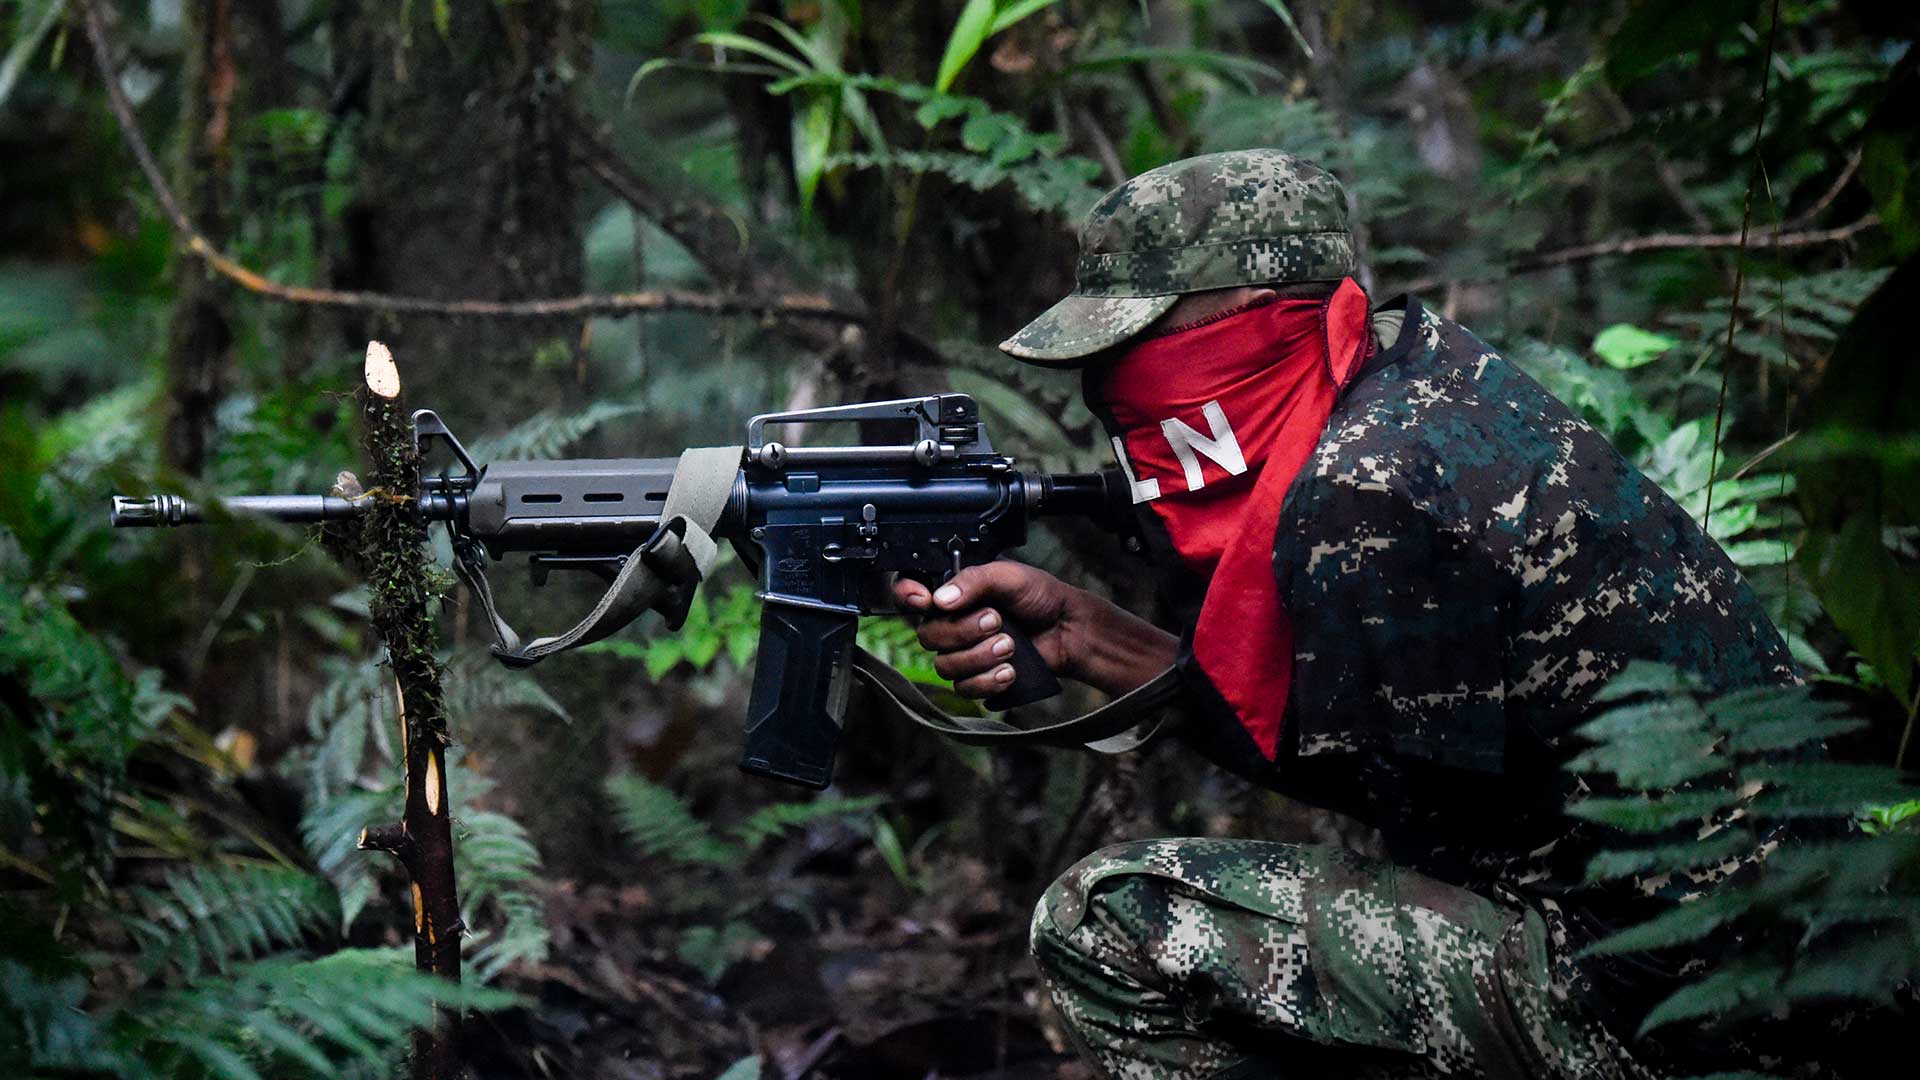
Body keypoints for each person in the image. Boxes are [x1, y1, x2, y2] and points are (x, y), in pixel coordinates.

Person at [890, 150, 1796, 1079]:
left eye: (1145, 338)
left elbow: (1432, 849)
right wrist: (1095, 639)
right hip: (1779, 938)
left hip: (1683, 1006)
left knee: (1107, 921)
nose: (1118, 379)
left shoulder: (1365, 491)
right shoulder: (1415, 374)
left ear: (1267, 311)